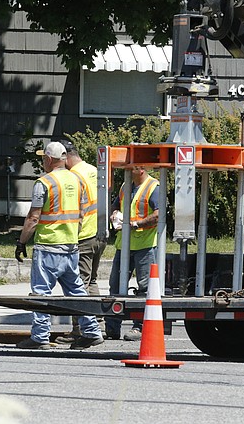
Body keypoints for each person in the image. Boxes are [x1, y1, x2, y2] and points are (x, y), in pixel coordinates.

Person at [14, 141, 104, 350]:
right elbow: (82, 213)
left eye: (43, 158)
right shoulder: (77, 180)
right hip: (71, 245)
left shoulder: (44, 183)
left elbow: (33, 217)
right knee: (77, 292)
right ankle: (91, 332)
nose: (42, 161)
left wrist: (21, 241)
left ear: (49, 159)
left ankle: (40, 337)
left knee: (41, 293)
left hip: (48, 246)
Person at [55, 139, 107, 343]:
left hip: (83, 235)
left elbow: (79, 209)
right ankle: (99, 325)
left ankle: (81, 330)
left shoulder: (73, 176)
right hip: (100, 234)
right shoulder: (93, 170)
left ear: (66, 157)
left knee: (78, 285)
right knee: (91, 281)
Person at [105, 167, 160, 341]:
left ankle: (139, 328)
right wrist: (114, 214)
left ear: (142, 168)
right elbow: (115, 205)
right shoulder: (125, 186)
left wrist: (136, 223)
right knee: (115, 286)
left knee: (144, 288)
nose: (128, 169)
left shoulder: (153, 187)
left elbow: (159, 215)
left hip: (145, 245)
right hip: (124, 245)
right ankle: (112, 329)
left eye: (133, 166)